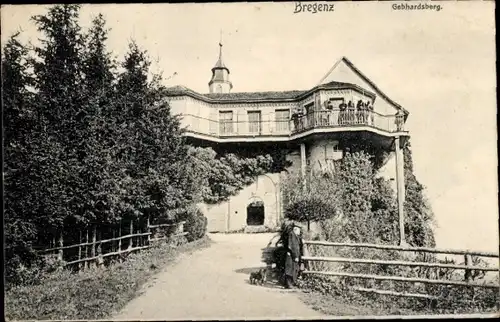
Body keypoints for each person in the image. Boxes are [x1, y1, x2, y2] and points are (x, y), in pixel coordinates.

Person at [283, 224, 302, 289]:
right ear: (295, 230)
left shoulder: (295, 235)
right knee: (289, 269)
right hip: (291, 255)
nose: (300, 232)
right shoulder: (292, 235)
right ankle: (289, 284)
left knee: (292, 269)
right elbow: (291, 246)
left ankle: (290, 283)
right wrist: (295, 256)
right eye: (299, 230)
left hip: (293, 255)